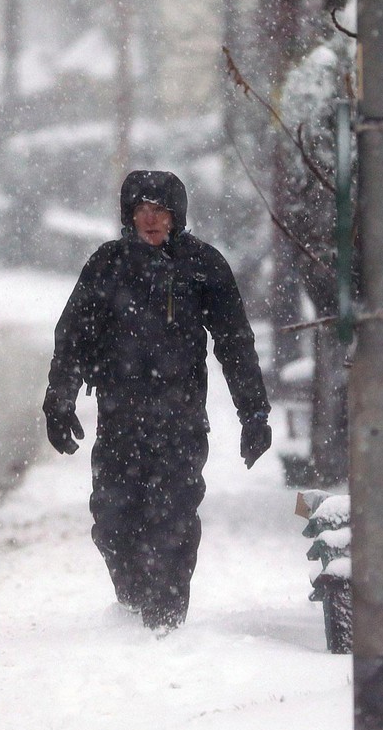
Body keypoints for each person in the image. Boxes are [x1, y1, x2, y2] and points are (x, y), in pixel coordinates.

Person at [43, 169, 272, 631]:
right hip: (119, 419)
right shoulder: (107, 265)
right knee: (112, 520)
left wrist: (254, 413)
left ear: (177, 215)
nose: (151, 218)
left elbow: (234, 342)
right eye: (141, 209)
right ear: (129, 214)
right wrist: (59, 399)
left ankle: (165, 623)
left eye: (160, 209)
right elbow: (73, 335)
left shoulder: (201, 266)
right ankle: (132, 597)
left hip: (180, 421)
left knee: (171, 520)